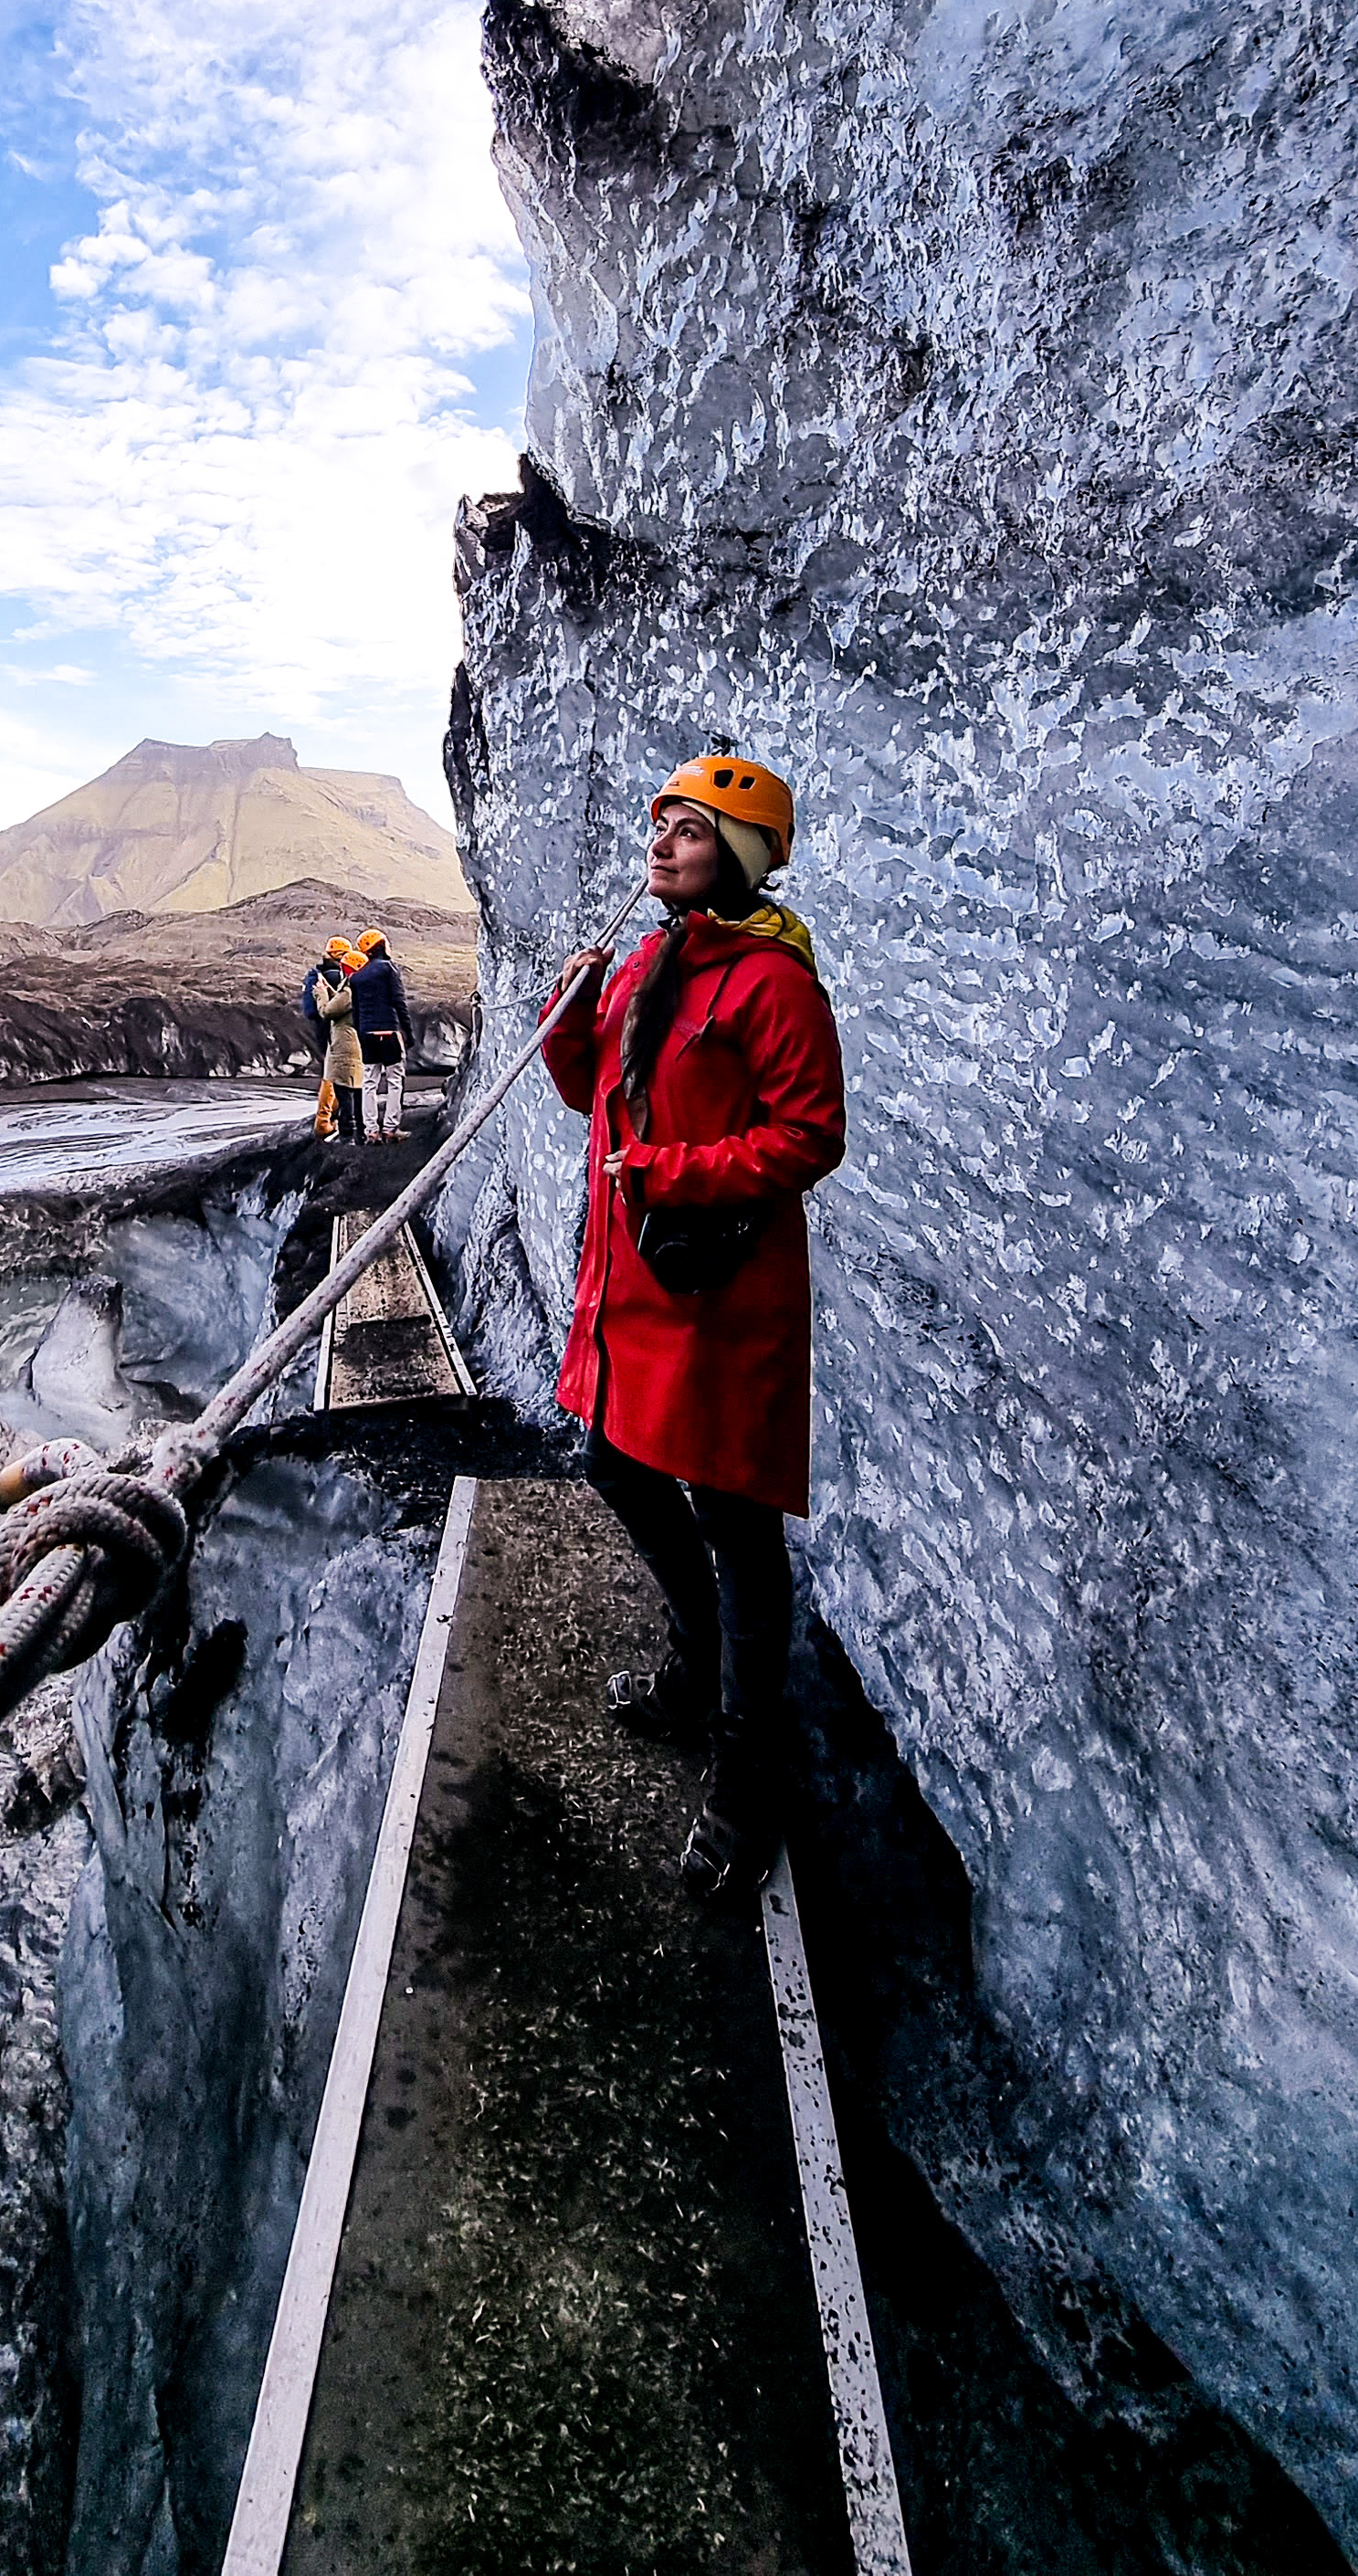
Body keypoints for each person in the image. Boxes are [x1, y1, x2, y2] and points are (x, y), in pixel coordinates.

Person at [542, 749, 845, 1905]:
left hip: (719, 1295)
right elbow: (593, 1096)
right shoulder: (645, 965)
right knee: (616, 1465)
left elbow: (811, 1135)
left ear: (744, 857)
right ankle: (698, 1658)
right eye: (663, 821)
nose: (662, 840)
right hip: (636, 1290)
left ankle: (745, 1768)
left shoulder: (772, 985)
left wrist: (675, 1171)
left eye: (692, 827)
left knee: (737, 1524)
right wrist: (571, 1020)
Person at [348, 927, 412, 1140]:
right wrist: (408, 1032)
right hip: (388, 1031)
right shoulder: (388, 969)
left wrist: (360, 1034)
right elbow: (398, 1002)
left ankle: (371, 1131)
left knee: (369, 1082)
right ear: (381, 946)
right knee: (394, 1080)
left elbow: (356, 1012)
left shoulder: (356, 978)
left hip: (366, 1034)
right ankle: (390, 1129)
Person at [313, 932, 367, 1145]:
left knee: (344, 1088)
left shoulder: (349, 989)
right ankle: (359, 1130)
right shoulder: (361, 986)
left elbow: (328, 1011)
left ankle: (344, 1132)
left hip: (344, 1044)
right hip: (355, 1043)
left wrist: (321, 994)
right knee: (357, 1087)